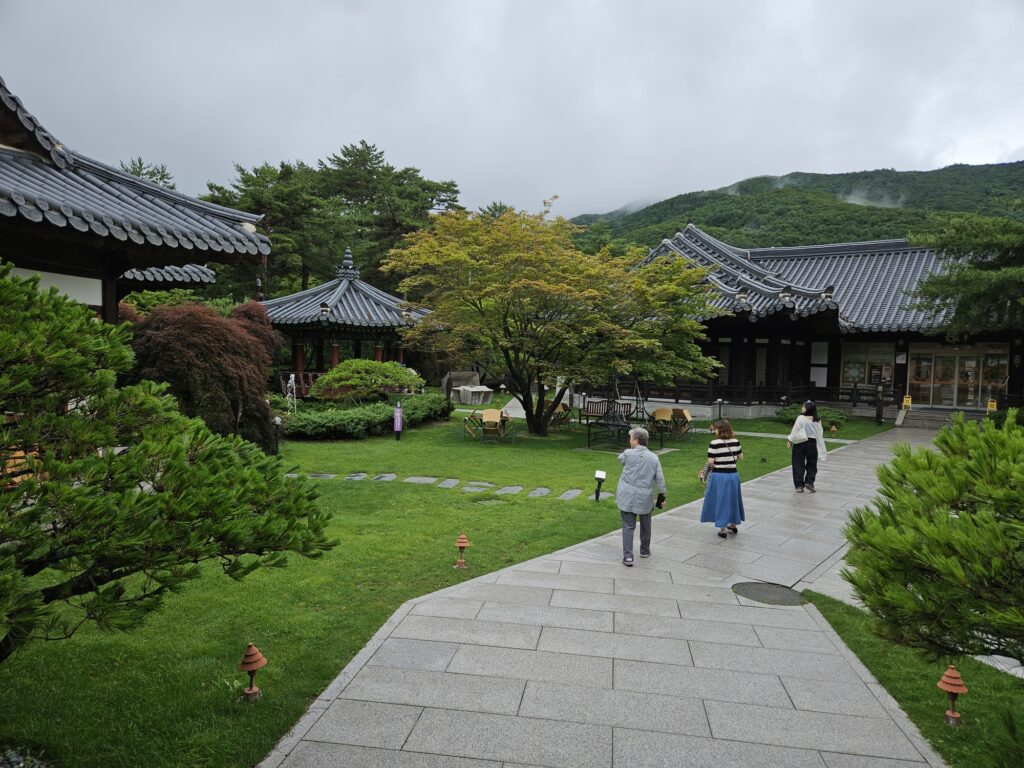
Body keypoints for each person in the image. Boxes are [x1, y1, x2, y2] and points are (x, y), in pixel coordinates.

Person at [616, 427, 666, 567]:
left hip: (627, 495)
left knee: (628, 525)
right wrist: (662, 496)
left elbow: (620, 459)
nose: (630, 441)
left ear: (636, 440)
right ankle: (644, 550)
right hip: (645, 497)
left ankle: (628, 557)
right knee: (646, 524)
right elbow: (660, 478)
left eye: (631, 438)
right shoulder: (654, 457)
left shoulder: (628, 453)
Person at [699, 419, 744, 538]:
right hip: (733, 475)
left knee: (721, 500)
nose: (715, 430)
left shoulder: (714, 443)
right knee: (733, 499)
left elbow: (710, 462)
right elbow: (740, 457)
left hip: (719, 475)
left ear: (720, 430)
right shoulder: (736, 441)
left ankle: (722, 529)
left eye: (716, 428)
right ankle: (733, 524)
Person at [788, 400, 827, 492]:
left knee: (798, 463)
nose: (802, 408)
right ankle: (809, 482)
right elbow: (820, 433)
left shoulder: (800, 418)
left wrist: (790, 440)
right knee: (812, 464)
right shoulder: (817, 420)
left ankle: (799, 486)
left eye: (804, 406)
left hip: (800, 442)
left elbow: (795, 431)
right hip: (812, 443)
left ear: (808, 409)